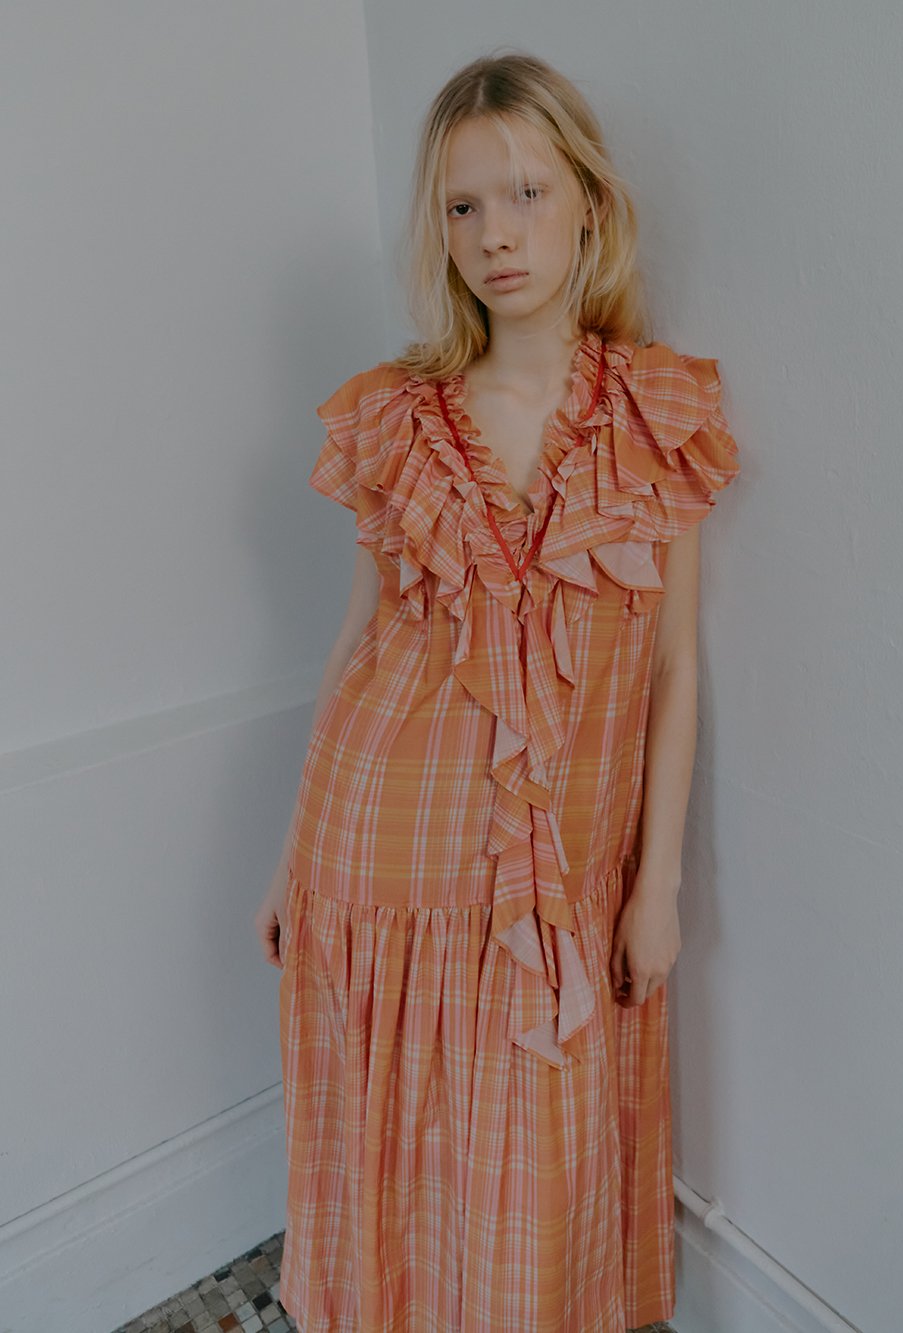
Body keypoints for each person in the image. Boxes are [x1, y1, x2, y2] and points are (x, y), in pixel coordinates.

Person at [255, 50, 740, 1333]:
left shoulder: (657, 412)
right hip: (383, 848)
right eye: (462, 205)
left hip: (558, 869)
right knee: (403, 1158)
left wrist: (656, 885)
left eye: (525, 193)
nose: (495, 235)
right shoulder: (397, 419)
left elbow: (673, 663)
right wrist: (292, 860)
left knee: (532, 1172)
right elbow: (357, 640)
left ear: (589, 201)